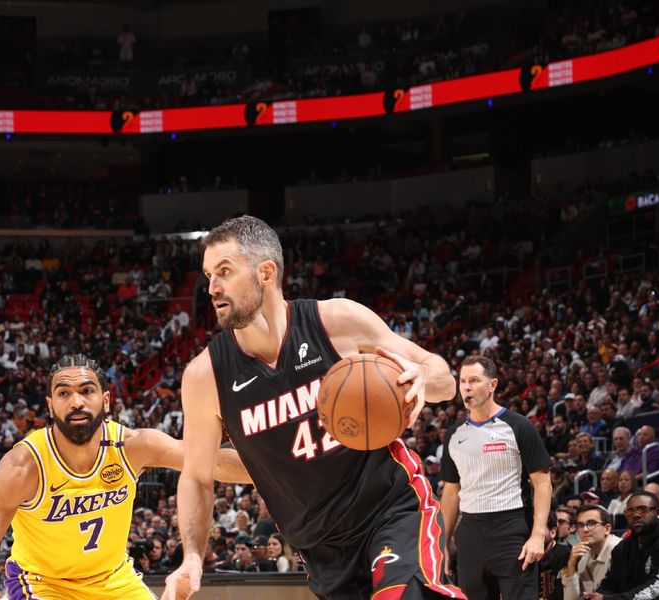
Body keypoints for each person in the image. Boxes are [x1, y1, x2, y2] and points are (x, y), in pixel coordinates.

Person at [160, 216, 465, 600]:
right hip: (321, 548)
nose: (212, 288)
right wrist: (192, 557)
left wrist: (423, 376)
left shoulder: (336, 322)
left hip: (390, 508)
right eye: (208, 275)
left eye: (224, 271)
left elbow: (443, 378)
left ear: (266, 272)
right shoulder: (205, 376)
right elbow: (197, 476)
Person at [0, 354, 250, 600]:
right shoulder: (24, 466)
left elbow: (212, 462)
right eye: (64, 393)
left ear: (106, 400)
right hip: (44, 584)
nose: (76, 402)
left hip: (115, 579)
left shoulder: (133, 446)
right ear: (50, 405)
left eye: (86, 390)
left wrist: (283, 468)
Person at [441, 356, 552, 599]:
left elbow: (542, 482)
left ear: (492, 384)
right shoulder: (453, 434)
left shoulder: (519, 426)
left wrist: (537, 535)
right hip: (469, 531)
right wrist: (443, 543)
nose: (466, 387)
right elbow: (450, 492)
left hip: (511, 527)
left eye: (474, 380)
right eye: (462, 381)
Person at [585, 491, 659, 599]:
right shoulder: (622, 548)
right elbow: (610, 583)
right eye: (630, 511)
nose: (636, 515)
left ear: (658, 513)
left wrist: (607, 599)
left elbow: (657, 589)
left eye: (643, 510)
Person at [561, 504, 621, 599]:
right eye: (580, 525)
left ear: (607, 529)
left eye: (591, 524)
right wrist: (571, 565)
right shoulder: (583, 556)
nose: (585, 530)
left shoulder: (620, 550)